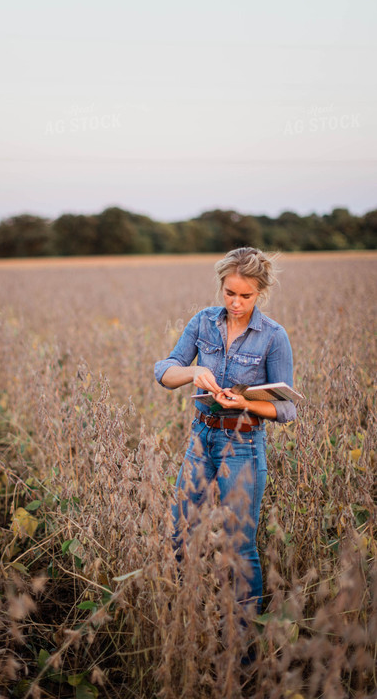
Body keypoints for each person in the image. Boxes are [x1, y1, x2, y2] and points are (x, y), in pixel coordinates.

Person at [154, 247, 297, 615]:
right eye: (229, 293)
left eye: (245, 296)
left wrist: (246, 403)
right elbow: (164, 371)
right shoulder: (203, 322)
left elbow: (286, 408)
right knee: (180, 532)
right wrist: (193, 372)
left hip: (244, 444)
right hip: (201, 438)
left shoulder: (273, 337)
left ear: (261, 292)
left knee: (238, 545)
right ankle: (187, 621)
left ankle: (244, 648)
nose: (236, 302)